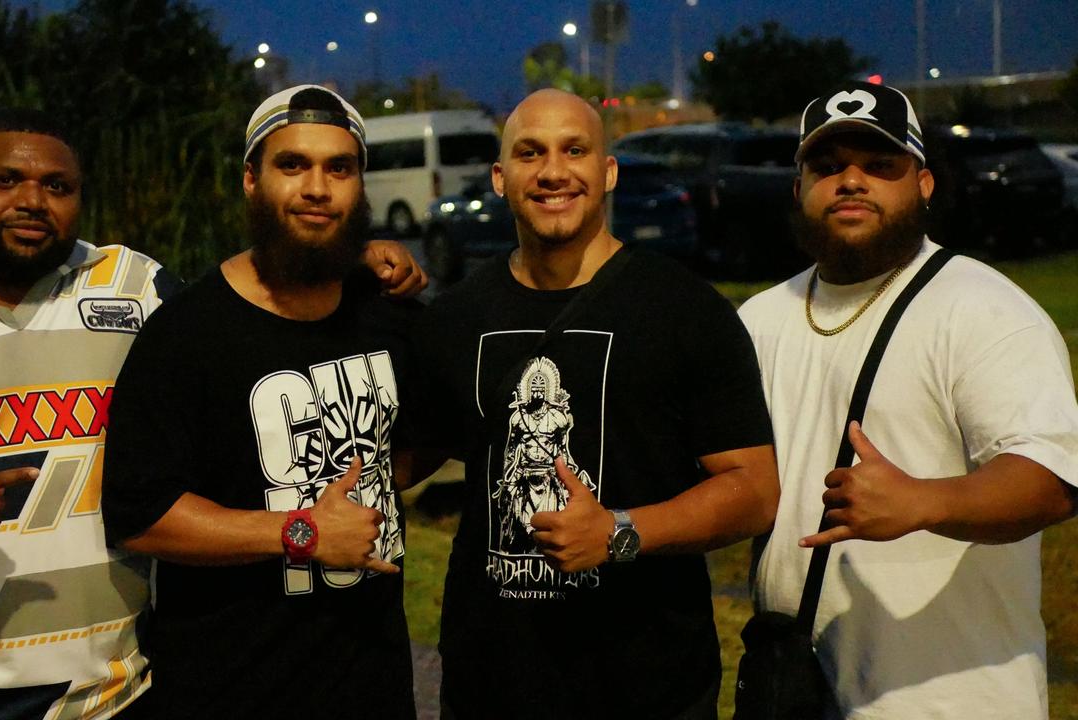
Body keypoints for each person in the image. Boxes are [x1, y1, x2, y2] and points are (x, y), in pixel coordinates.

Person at [0, 108, 425, 719]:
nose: (32, 201)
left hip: (105, 693)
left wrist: (351, 256)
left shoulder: (132, 287)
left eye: (57, 186)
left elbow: (251, 315)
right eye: (4, 180)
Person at [410, 88, 780, 718]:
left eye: (574, 150)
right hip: (494, 684)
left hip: (645, 686)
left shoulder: (685, 311)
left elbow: (753, 489)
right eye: (531, 153)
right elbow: (400, 459)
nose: (553, 171)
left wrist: (618, 532)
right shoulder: (457, 317)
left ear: (607, 172)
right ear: (500, 179)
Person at [738, 80, 1078, 719]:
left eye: (881, 165)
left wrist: (926, 500)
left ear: (923, 183)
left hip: (950, 700)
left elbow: (1053, 479)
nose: (851, 181)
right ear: (798, 188)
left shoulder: (982, 310)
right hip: (797, 693)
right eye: (828, 167)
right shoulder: (760, 318)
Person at [100, 85, 418, 719]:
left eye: (339, 168)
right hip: (233, 689)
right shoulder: (187, 334)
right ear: (251, 179)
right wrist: (302, 532)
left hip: (374, 684)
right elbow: (139, 513)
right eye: (292, 164)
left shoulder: (385, 314)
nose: (317, 188)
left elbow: (419, 439)